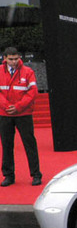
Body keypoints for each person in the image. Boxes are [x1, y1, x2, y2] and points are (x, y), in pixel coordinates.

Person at [0, 47, 42, 187]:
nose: (14, 62)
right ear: (4, 58)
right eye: (11, 59)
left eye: (16, 58)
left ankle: (36, 175)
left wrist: (18, 106)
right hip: (5, 114)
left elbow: (33, 92)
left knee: (29, 144)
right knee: (6, 145)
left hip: (23, 114)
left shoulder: (28, 72)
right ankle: (8, 176)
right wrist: (7, 106)